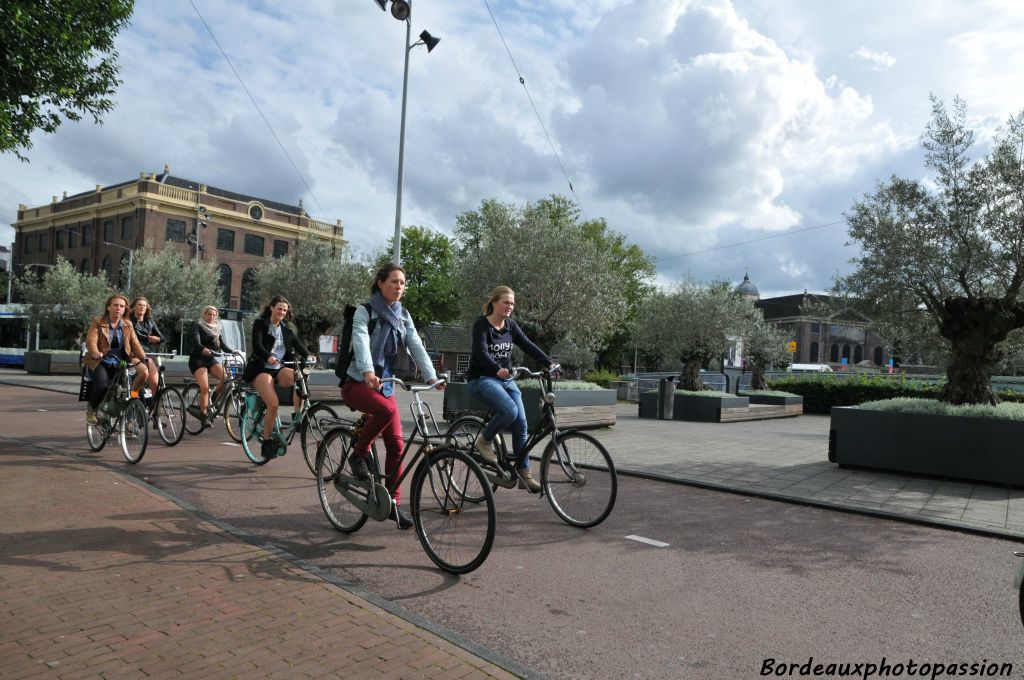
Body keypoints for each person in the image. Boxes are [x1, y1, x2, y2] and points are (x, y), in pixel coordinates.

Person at [341, 264, 441, 529]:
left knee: (397, 446)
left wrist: (431, 376)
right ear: (380, 283)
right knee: (384, 412)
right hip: (357, 382)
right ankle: (359, 454)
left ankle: (394, 505)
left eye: (403, 283)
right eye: (394, 281)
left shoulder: (403, 316)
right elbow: (361, 339)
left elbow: (415, 345)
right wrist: (367, 370)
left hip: (385, 386)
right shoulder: (365, 311)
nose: (399, 286)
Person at [466, 286, 552, 493]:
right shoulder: (482, 325)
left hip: (506, 380)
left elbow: (527, 343)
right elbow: (481, 352)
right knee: (510, 411)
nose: (509, 307)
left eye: (512, 303)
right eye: (506, 302)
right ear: (494, 303)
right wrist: (496, 369)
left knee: (521, 423)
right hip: (482, 379)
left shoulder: (511, 326)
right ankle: (484, 441)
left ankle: (524, 474)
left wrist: (547, 363)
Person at [242, 295, 310, 461]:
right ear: (271, 308)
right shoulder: (261, 324)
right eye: (279, 308)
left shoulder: (287, 331)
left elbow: (300, 347)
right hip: (260, 369)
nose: (282, 312)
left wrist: (309, 356)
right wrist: (268, 357)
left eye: (285, 310)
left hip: (278, 369)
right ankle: (266, 442)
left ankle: (297, 415)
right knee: (273, 405)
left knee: (299, 377)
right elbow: (257, 345)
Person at [83, 294, 148, 425]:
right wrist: (95, 352)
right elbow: (91, 340)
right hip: (101, 360)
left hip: (120, 361)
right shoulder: (98, 321)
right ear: (108, 307)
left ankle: (129, 422)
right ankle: (92, 409)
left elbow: (135, 343)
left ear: (125, 309)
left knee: (128, 391)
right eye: (115, 305)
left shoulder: (127, 324)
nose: (119, 308)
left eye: (122, 306)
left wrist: (143, 357)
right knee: (102, 386)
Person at [187, 305, 234, 426]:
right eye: (209, 314)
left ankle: (213, 399)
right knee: (204, 388)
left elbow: (222, 345)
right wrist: (203, 349)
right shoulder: (198, 327)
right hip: (198, 360)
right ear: (204, 315)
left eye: (214, 315)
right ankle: (203, 417)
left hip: (210, 359)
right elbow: (197, 343)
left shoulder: (217, 329)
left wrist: (233, 352)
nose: (211, 317)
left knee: (226, 377)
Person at [129, 297, 162, 398]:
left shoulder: (150, 321)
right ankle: (133, 396)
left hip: (147, 354)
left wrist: (157, 339)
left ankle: (154, 409)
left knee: (155, 383)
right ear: (133, 308)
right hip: (133, 354)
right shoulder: (128, 321)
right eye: (139, 305)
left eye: (144, 305)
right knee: (142, 376)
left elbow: (162, 338)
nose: (142, 307)